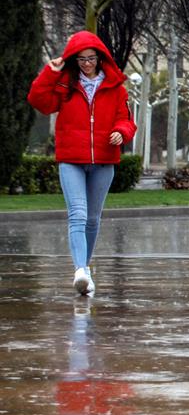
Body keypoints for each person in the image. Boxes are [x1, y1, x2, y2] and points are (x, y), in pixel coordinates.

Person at [28, 31, 136, 296]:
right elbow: (39, 101)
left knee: (92, 218)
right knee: (77, 214)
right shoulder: (65, 86)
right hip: (71, 160)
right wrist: (50, 72)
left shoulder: (115, 87)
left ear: (100, 59)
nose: (87, 64)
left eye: (91, 58)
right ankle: (79, 270)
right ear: (73, 60)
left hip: (103, 160)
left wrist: (121, 132)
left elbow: (127, 119)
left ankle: (85, 270)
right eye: (81, 59)